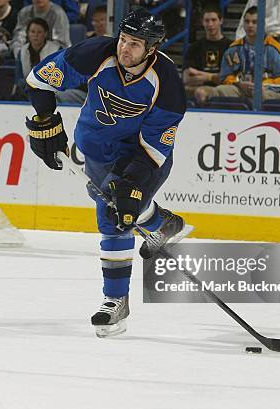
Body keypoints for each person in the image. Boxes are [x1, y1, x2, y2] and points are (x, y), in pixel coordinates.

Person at [24, 8, 192, 338]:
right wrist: (46, 119)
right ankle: (162, 222)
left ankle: (115, 302)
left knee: (114, 215)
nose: (124, 49)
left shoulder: (168, 86)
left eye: (134, 44)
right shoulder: (95, 53)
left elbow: (153, 148)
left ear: (152, 48)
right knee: (127, 210)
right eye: (123, 40)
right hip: (95, 152)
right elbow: (39, 80)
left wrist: (130, 185)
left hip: (139, 157)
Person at [214, 6, 280, 101]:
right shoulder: (234, 48)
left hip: (267, 90)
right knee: (218, 91)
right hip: (241, 88)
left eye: (254, 22)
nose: (250, 25)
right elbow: (225, 76)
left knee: (258, 95)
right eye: (247, 21)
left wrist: (262, 85)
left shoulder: (274, 48)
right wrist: (238, 83)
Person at [182, 4, 231, 104]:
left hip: (222, 90)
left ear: (221, 21)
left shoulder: (230, 47)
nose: (210, 24)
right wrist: (215, 77)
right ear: (202, 22)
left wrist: (204, 76)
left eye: (213, 20)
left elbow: (229, 79)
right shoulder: (194, 47)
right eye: (207, 21)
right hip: (198, 89)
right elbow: (186, 78)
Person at [15, 17, 61, 99]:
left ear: (45, 33)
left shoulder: (56, 50)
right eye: (32, 32)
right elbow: (19, 77)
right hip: (27, 90)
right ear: (28, 33)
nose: (35, 35)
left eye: (39, 32)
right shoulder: (22, 51)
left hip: (51, 90)